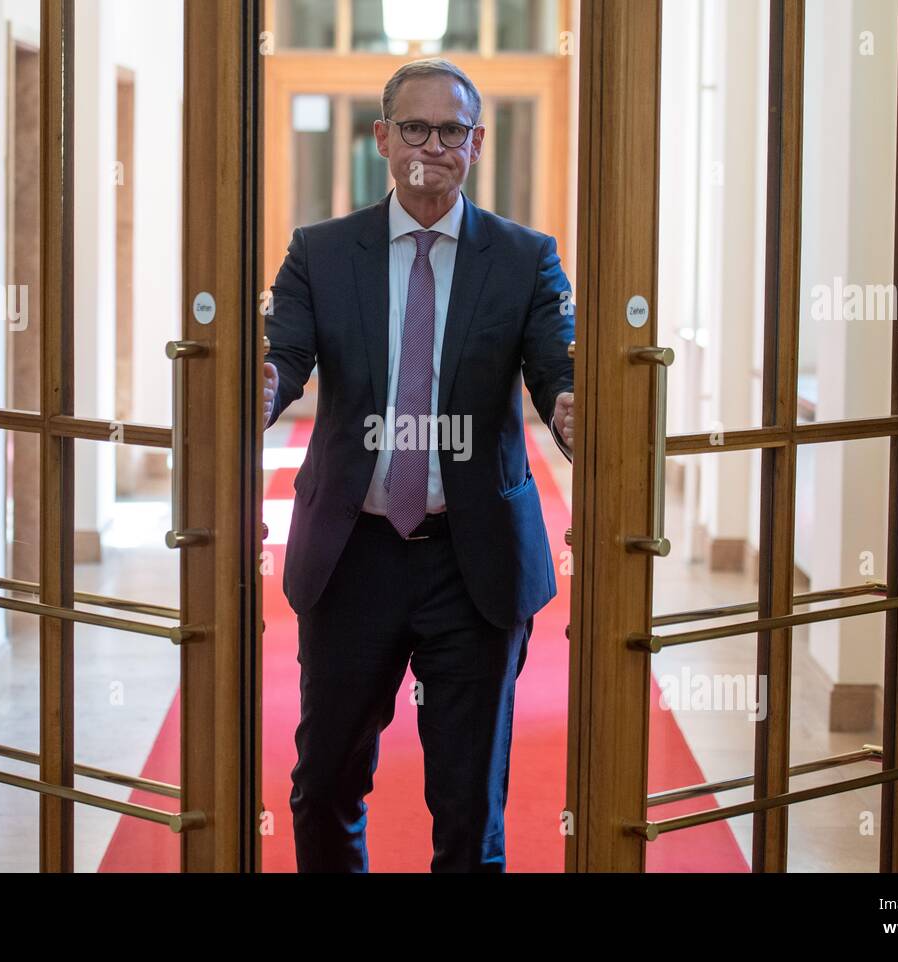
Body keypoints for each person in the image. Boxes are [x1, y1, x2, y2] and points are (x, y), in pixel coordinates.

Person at [262, 57, 575, 872]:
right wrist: (255, 386)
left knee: (470, 810)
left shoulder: (524, 259)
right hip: (352, 555)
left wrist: (579, 406)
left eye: (451, 131)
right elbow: (282, 359)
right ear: (381, 138)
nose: (431, 146)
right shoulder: (321, 254)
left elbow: (558, 372)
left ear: (476, 142)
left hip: (473, 564)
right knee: (324, 785)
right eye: (414, 127)